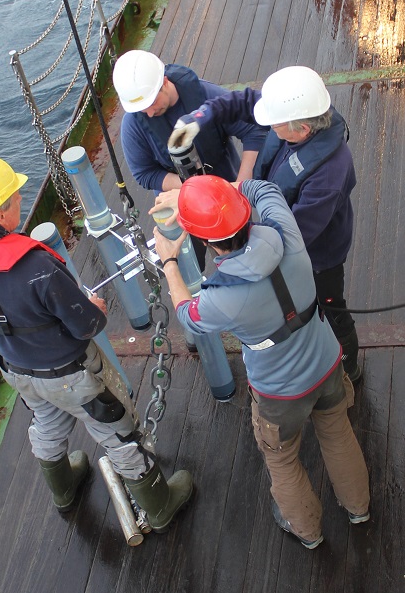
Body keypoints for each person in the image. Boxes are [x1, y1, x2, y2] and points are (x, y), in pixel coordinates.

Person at [0, 156, 193, 531]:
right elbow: (87, 324)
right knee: (118, 432)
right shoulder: (34, 267)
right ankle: (159, 506)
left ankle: (63, 489)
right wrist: (93, 306)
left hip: (18, 371)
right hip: (71, 376)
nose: (20, 200)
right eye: (14, 198)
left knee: (46, 423)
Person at [152, 176, 370, 549]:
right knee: (338, 433)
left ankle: (309, 533)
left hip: (279, 396)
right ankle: (358, 509)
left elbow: (188, 316)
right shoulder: (286, 231)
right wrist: (215, 193)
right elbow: (263, 188)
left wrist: (169, 262)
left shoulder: (221, 299)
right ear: (243, 215)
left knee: (283, 462)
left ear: (205, 241)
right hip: (327, 362)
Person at [168, 64, 362, 382]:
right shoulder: (293, 108)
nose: (268, 126)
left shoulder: (329, 173)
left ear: (300, 130)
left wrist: (228, 221)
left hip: (318, 257)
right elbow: (242, 101)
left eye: (274, 125)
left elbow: (293, 234)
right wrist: (198, 118)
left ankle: (349, 370)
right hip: (277, 223)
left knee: (332, 310)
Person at [112, 49, 268, 194]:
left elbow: (253, 131)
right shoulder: (132, 125)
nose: (150, 114)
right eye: (142, 109)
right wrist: (197, 185)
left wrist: (240, 188)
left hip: (228, 187)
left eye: (152, 102)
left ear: (165, 81)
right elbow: (144, 173)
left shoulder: (208, 95)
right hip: (181, 201)